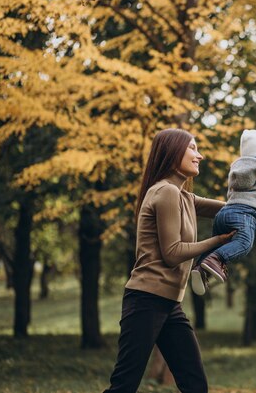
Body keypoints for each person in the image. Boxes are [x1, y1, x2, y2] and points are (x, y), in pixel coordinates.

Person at [103, 128, 235, 393]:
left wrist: (255, 209)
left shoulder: (183, 195)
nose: (200, 155)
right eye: (193, 148)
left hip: (169, 304)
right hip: (146, 299)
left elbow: (226, 208)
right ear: (173, 152)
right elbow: (172, 253)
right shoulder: (166, 192)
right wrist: (219, 240)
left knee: (195, 385)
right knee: (123, 386)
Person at [191, 129, 256, 295]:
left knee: (217, 243)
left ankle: (200, 267)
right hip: (245, 215)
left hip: (224, 213)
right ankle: (217, 259)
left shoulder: (239, 168)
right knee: (243, 243)